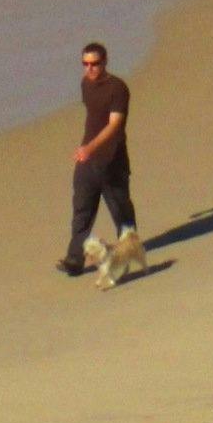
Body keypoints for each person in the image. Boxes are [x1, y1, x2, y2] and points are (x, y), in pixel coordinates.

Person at [58, 39, 135, 276]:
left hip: (112, 161)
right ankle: (75, 258)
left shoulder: (118, 88)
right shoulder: (85, 85)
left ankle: (129, 253)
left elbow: (114, 125)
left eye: (95, 64)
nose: (89, 69)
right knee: (81, 211)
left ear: (105, 62)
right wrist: (86, 151)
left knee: (121, 212)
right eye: (85, 64)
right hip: (87, 160)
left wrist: (90, 147)